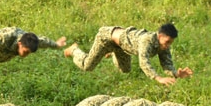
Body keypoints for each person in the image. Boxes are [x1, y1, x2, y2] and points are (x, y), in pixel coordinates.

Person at [63, 23, 193, 86]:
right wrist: (158, 78)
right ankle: (74, 50)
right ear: (160, 36)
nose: (168, 45)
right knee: (87, 66)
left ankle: (113, 52)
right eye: (167, 41)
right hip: (107, 38)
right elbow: (144, 62)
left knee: (125, 69)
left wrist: (176, 74)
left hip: (121, 46)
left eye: (171, 42)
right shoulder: (146, 41)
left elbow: (167, 63)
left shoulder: (163, 45)